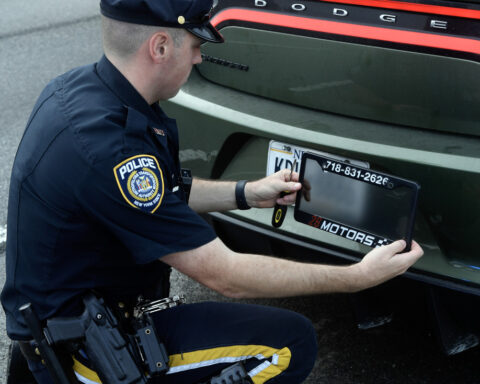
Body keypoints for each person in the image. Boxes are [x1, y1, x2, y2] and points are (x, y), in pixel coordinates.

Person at [1, 0, 424, 383]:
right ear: (160, 46)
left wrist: (248, 193)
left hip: (74, 319)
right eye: (196, 43)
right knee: (288, 345)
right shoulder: (112, 150)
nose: (201, 56)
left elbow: (163, 194)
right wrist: (356, 278)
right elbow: (226, 276)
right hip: (83, 353)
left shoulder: (83, 92)